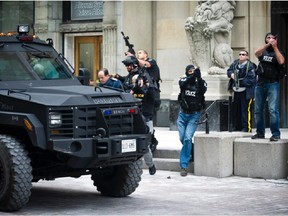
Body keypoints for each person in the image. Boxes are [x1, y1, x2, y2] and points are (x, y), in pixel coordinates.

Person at [120, 56, 157, 175]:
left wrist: (142, 86)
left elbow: (151, 96)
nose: (127, 68)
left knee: (145, 144)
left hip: (144, 117)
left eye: (129, 65)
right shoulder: (128, 79)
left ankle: (151, 165)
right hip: (129, 116)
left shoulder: (145, 81)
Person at [252, 32, 285, 141]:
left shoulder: (279, 52)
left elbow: (281, 61)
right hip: (260, 83)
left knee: (273, 109)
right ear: (265, 39)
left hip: (272, 84)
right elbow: (256, 53)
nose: (270, 39)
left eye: (272, 38)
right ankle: (260, 133)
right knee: (258, 110)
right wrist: (267, 45)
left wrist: (274, 47)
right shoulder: (263, 51)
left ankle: (275, 134)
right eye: (268, 38)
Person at [177, 65, 207, 177]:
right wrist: (192, 76)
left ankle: (183, 166)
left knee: (187, 138)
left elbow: (203, 90)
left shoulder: (201, 82)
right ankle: (192, 151)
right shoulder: (184, 79)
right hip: (182, 115)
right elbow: (182, 84)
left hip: (194, 115)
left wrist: (198, 78)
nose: (192, 73)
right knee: (182, 138)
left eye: (194, 72)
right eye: (190, 71)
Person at [227, 50, 256, 132]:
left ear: (247, 56)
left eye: (243, 54)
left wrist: (239, 80)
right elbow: (229, 71)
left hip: (246, 91)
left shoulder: (250, 66)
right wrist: (231, 74)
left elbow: (251, 80)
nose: (241, 56)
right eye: (240, 54)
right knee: (236, 109)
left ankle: (246, 127)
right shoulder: (235, 64)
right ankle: (237, 126)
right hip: (236, 90)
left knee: (245, 110)